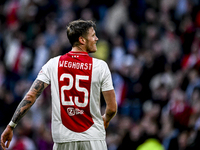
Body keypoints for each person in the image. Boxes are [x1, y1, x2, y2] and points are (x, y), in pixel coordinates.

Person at [1, 20, 117, 150]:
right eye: (93, 35)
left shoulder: (53, 64)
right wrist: (106, 119)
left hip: (64, 140)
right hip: (93, 139)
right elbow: (112, 108)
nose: (97, 39)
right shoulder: (100, 66)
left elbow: (31, 95)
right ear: (82, 40)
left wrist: (11, 125)